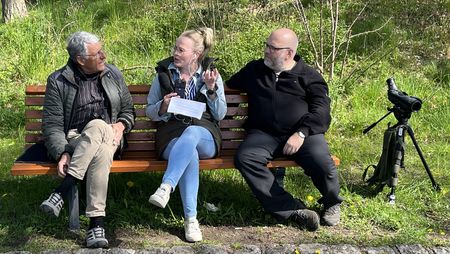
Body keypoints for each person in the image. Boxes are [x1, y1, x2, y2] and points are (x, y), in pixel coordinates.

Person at [226, 28, 343, 231]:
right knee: (245, 158)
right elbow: (227, 87)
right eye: (267, 45)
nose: (266, 51)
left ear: (288, 53)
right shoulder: (254, 70)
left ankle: (332, 202)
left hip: (302, 134)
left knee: (321, 161)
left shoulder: (309, 76)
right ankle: (291, 209)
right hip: (263, 134)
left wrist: (301, 133)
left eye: (273, 48)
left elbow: (322, 111)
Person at [39, 31, 135, 248]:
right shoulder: (58, 80)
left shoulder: (113, 74)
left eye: (102, 50)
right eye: (97, 53)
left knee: (101, 127)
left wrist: (121, 125)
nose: (104, 56)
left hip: (112, 135)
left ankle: (62, 190)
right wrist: (63, 151)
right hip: (75, 139)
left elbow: (128, 110)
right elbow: (53, 125)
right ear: (80, 60)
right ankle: (96, 224)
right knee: (99, 138)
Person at [145, 27, 226, 242]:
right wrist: (163, 106)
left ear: (196, 55)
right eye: (175, 48)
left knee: (191, 133)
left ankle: (166, 186)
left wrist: (211, 90)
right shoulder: (163, 74)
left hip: (205, 134)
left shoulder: (211, 75)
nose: (175, 53)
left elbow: (220, 113)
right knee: (188, 153)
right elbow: (149, 111)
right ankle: (191, 220)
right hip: (171, 134)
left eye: (181, 50)